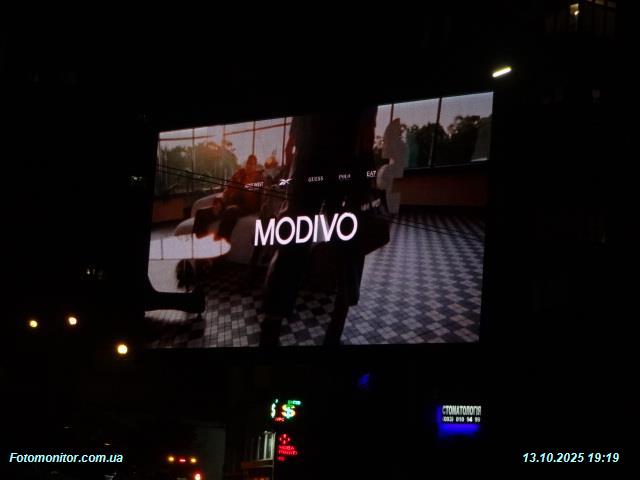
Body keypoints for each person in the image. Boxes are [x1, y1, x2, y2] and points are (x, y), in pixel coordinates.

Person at [259, 106, 377, 347]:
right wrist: (366, 175)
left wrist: (292, 171)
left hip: (309, 156)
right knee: (348, 241)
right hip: (346, 155)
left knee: (292, 240)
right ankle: (336, 326)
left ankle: (271, 324)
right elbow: (367, 132)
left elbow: (291, 143)